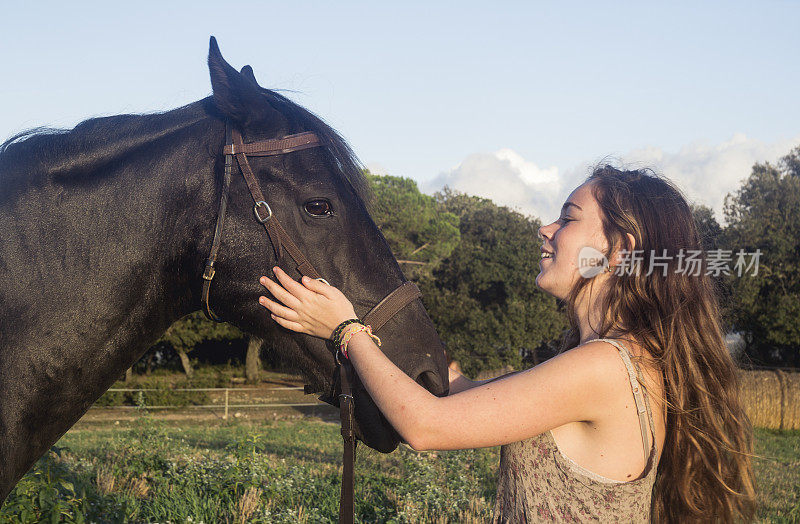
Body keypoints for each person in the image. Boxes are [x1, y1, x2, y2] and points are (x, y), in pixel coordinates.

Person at [258, 165, 756, 523]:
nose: (545, 229)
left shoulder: (602, 367)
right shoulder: (618, 359)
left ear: (618, 250)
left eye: (568, 218)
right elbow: (472, 395)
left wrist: (345, 330)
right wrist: (423, 349)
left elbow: (425, 427)